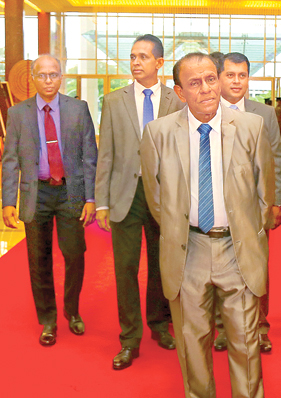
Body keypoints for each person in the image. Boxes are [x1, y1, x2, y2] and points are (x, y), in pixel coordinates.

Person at [140, 52, 274, 398]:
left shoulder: (250, 127)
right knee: (192, 342)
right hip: (188, 250)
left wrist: (246, 233)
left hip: (237, 249)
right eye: (195, 83)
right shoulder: (158, 134)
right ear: (180, 92)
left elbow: (264, 194)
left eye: (211, 79)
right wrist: (184, 232)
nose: (206, 89)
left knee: (246, 343)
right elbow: (156, 200)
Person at [95, 34, 184, 370]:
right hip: (124, 197)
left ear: (159, 62)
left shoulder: (176, 102)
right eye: (132, 57)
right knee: (126, 268)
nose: (135, 62)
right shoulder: (114, 100)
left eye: (143, 57)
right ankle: (129, 338)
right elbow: (107, 155)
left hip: (164, 198)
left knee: (163, 267)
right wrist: (101, 201)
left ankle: (160, 324)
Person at [2, 54, 97, 346]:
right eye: (42, 75)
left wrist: (91, 197)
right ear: (33, 78)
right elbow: (10, 160)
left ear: (61, 77)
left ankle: (72, 310)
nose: (48, 80)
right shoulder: (18, 113)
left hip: (71, 192)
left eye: (53, 74)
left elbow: (90, 156)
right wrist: (8, 201)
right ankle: (48, 319)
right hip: (36, 194)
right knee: (38, 259)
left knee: (74, 254)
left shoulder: (78, 109)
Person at [215, 51, 281, 353]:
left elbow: (275, 159)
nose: (236, 81)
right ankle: (222, 329)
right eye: (230, 75)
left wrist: (277, 201)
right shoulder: (206, 109)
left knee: (256, 269)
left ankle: (260, 327)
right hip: (215, 206)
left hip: (255, 207)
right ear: (219, 78)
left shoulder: (264, 113)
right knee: (219, 269)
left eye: (242, 75)